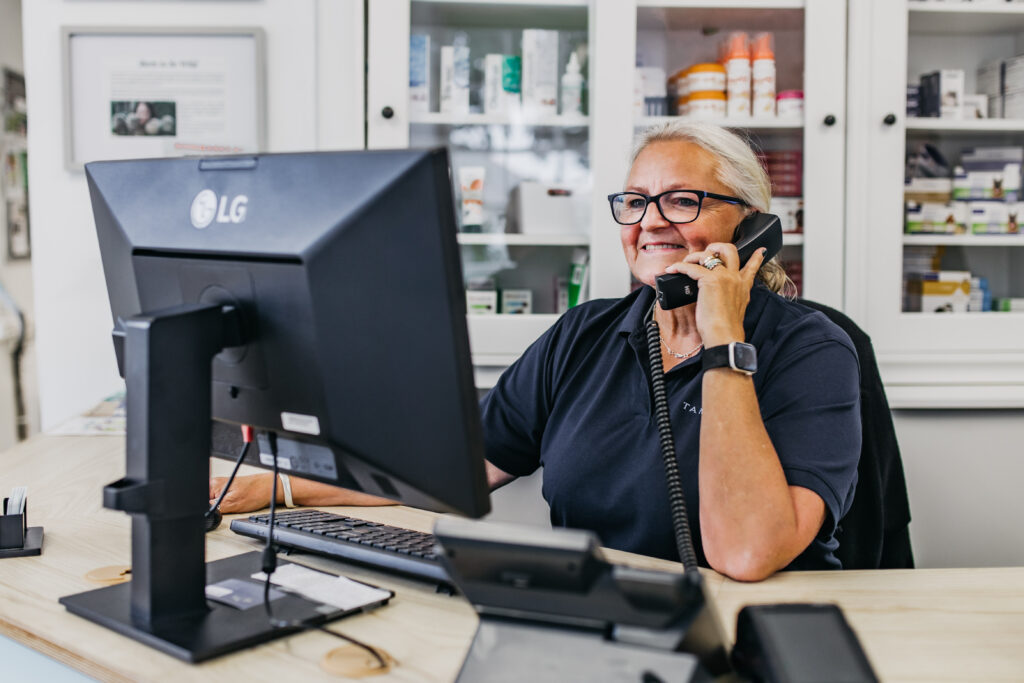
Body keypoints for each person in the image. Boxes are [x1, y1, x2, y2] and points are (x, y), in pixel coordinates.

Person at [210, 121, 861, 582]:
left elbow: (745, 554)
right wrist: (271, 489)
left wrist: (723, 341)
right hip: (603, 628)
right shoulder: (584, 335)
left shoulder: (813, 351)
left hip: (753, 642)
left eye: (682, 200)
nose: (650, 221)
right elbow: (451, 467)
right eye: (634, 202)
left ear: (751, 226)